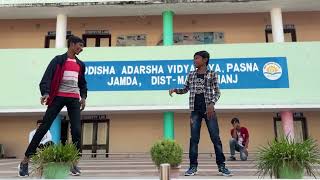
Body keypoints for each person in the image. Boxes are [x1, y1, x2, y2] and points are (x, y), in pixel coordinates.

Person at [18, 35, 87, 177]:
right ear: (72, 44)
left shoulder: (81, 65)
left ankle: (74, 164)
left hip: (73, 99)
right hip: (58, 97)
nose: (82, 49)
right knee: (43, 128)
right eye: (80, 45)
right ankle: (25, 162)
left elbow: (82, 83)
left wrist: (83, 97)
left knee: (76, 131)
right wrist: (46, 93)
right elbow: (46, 78)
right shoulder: (58, 61)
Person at [169, 50, 231, 176]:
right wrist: (175, 90)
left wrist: (211, 104)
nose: (194, 61)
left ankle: (222, 166)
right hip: (195, 112)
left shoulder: (212, 74)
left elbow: (218, 92)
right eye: (194, 58)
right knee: (194, 139)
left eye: (197, 58)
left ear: (205, 60)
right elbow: (186, 89)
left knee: (215, 138)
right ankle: (192, 167)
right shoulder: (191, 74)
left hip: (209, 112)